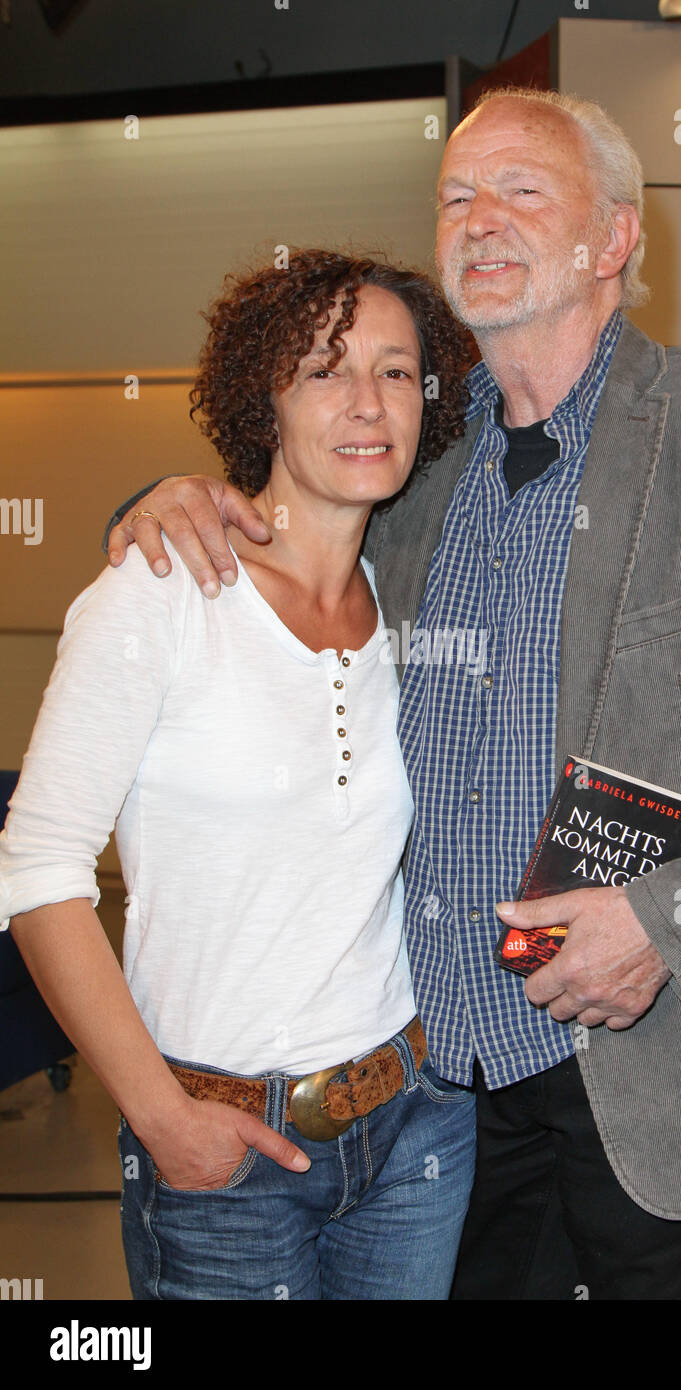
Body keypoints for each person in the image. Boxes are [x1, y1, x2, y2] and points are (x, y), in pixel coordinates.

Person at [102, 88, 681, 1301]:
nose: (478, 218)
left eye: (521, 189)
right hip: (438, 1091)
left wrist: (661, 926)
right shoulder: (409, 456)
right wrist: (157, 500)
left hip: (660, 1063)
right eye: (455, 195)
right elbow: (268, 539)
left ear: (610, 239)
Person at [0, 250, 478, 1301]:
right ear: (262, 398)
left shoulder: (410, 601)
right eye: (323, 369)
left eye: (397, 372)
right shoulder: (162, 593)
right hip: (221, 1147)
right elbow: (37, 870)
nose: (366, 402)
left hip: (413, 1122)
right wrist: (161, 1117)